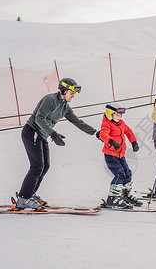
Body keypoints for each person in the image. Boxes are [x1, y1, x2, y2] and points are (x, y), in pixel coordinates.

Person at [16, 78, 100, 210]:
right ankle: (23, 198)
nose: (73, 96)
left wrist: (96, 133)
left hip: (42, 135)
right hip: (32, 132)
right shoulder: (50, 100)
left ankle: (30, 195)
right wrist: (53, 134)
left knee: (45, 166)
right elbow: (39, 118)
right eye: (71, 93)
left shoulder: (65, 107)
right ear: (64, 91)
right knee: (37, 166)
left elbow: (77, 122)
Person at [99, 102, 141, 208]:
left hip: (120, 155)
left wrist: (134, 142)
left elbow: (129, 132)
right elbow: (103, 134)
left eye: (120, 115)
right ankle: (112, 198)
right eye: (117, 115)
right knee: (120, 174)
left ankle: (125, 195)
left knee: (127, 173)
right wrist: (112, 142)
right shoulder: (107, 124)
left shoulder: (121, 123)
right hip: (111, 155)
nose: (119, 117)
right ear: (110, 114)